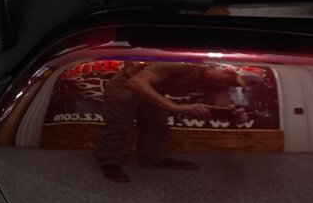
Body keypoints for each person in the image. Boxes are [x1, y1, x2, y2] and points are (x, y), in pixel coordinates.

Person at [95, 62, 250, 183]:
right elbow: (136, 82)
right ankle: (109, 162)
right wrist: (174, 107)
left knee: (157, 123)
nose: (226, 85)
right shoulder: (185, 65)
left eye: (232, 85)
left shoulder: (216, 83)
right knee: (119, 123)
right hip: (125, 84)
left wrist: (233, 115)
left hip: (154, 89)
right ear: (223, 70)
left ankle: (151, 159)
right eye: (228, 80)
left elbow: (221, 106)